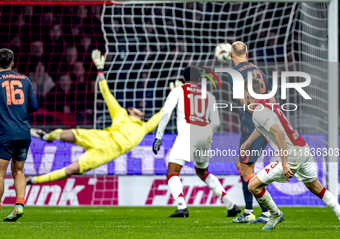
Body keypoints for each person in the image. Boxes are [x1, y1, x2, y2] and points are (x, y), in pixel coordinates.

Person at [28, 49, 162, 184]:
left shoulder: (145, 127)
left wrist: (174, 96)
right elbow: (106, 93)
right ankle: (46, 136)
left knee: (70, 170)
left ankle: (34, 180)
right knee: (64, 134)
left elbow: (162, 114)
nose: (138, 110)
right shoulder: (121, 113)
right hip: (99, 137)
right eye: (135, 109)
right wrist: (100, 70)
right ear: (131, 112)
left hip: (104, 154)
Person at [242, 77, 340, 230]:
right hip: (303, 148)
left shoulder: (258, 112)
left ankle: (275, 214)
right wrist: (248, 142)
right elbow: (264, 125)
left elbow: (279, 134)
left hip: (292, 155)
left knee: (253, 186)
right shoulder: (269, 99)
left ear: (247, 93)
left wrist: (285, 162)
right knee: (316, 187)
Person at [153, 66, 240, 218]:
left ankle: (182, 207)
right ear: (199, 80)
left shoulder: (178, 91)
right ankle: (231, 205)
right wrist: (207, 134)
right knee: (202, 171)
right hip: (205, 132)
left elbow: (166, 112)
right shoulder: (209, 95)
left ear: (183, 78)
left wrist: (159, 136)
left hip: (188, 130)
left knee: (172, 171)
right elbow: (217, 122)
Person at [227, 41, 272, 223]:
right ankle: (248, 211)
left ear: (231, 55)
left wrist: (257, 115)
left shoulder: (235, 74)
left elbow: (243, 101)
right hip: (266, 122)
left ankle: (268, 212)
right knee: (241, 165)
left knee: (246, 167)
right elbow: (271, 96)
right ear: (247, 53)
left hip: (252, 125)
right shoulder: (258, 71)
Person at [0, 48, 38, 221]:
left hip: (4, 132)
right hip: (23, 131)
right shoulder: (25, 79)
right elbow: (33, 106)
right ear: (12, 63)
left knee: (0, 173)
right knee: (19, 171)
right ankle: (19, 205)